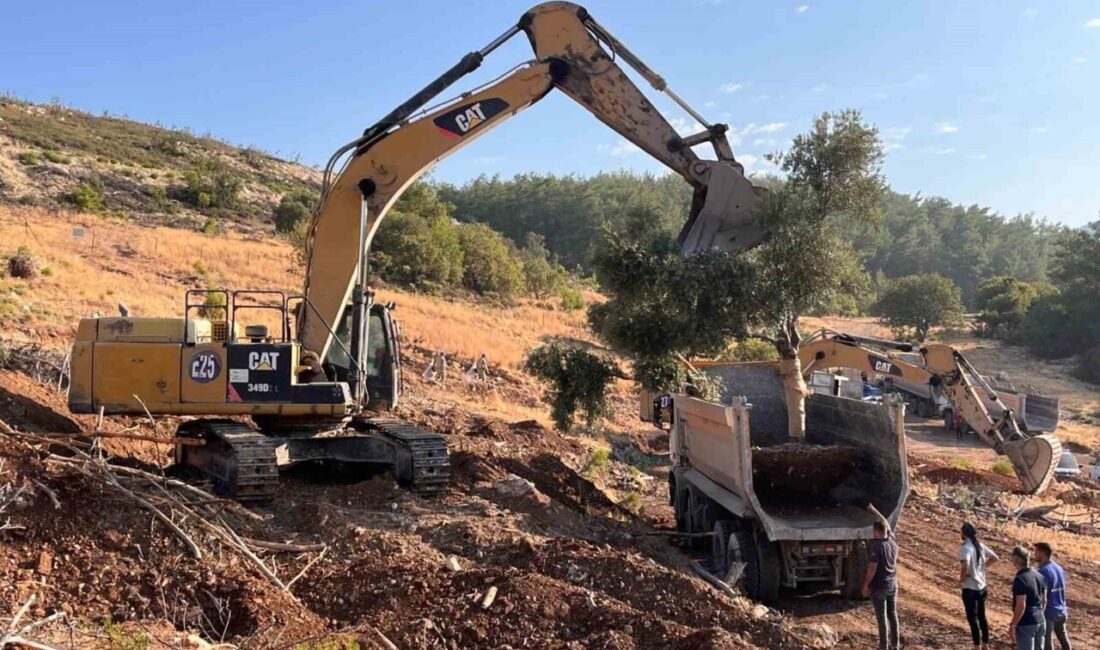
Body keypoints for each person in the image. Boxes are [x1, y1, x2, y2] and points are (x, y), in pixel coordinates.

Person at [861, 504, 900, 650]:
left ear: (876, 532)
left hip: (879, 586)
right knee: (893, 614)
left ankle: (883, 646)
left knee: (882, 617)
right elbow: (888, 529)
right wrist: (875, 511)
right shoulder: (893, 543)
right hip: (893, 584)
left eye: (873, 532)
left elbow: (872, 567)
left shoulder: (876, 546)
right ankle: (895, 645)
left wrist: (865, 585)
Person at [959, 522, 999, 649]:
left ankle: (976, 646)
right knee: (982, 616)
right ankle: (985, 645)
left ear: (964, 533)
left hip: (970, 587)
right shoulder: (980, 545)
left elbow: (965, 565)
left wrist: (962, 577)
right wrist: (982, 568)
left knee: (972, 618)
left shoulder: (966, 548)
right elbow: (994, 557)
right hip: (982, 586)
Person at [1033, 542, 1071, 650]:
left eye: (1036, 551)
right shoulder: (1058, 568)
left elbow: (1041, 595)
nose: (1034, 554)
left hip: (1049, 611)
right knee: (1063, 639)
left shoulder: (1043, 571)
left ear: (1042, 553)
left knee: (1047, 641)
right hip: (1061, 610)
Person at [1009, 545, 1046, 650]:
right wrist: (1039, 614)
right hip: (1040, 620)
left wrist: (1013, 624)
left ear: (1016, 559)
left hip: (1026, 622)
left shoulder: (1020, 579)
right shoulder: (1039, 575)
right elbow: (1044, 600)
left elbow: (1021, 605)